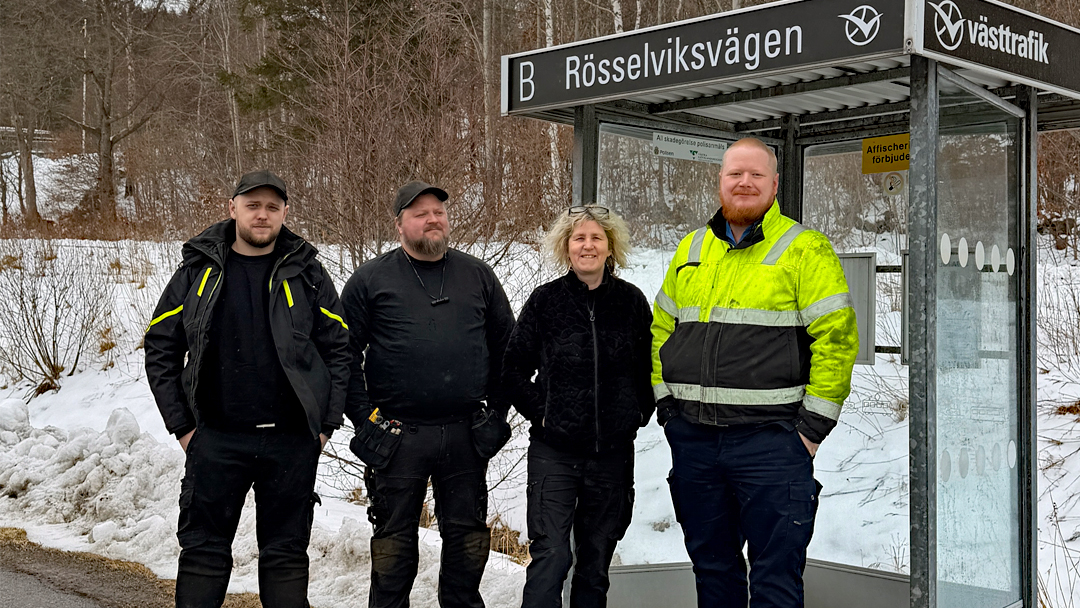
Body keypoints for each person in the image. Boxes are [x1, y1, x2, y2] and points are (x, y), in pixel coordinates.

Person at [650, 137, 859, 608]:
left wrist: (810, 430)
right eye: (735, 174)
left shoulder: (804, 249)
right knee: (713, 572)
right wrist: (667, 408)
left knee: (775, 580)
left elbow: (837, 339)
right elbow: (661, 329)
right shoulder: (692, 247)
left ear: (775, 184)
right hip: (695, 444)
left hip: (772, 444)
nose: (744, 182)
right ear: (720, 180)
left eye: (756, 174)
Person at [143, 170, 351, 608]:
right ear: (232, 208)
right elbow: (161, 346)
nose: (262, 215)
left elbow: (340, 350)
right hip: (217, 438)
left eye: (272, 207)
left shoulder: (307, 272)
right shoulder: (198, 271)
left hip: (291, 441)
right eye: (252, 205)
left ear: (285, 213)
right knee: (203, 555)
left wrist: (324, 426)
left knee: (286, 558)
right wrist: (183, 427)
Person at [341, 180, 516, 608]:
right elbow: (340, 356)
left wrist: (497, 413)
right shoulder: (370, 279)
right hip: (397, 435)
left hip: (465, 432)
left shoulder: (477, 275)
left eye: (439, 212)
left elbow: (508, 350)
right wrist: (364, 419)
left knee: (468, 542)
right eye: (420, 213)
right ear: (399, 225)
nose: (432, 219)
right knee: (393, 547)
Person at [502, 205, 655, 608]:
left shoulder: (631, 302)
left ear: (610, 247)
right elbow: (512, 369)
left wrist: (638, 412)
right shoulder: (545, 301)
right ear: (566, 247)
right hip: (554, 452)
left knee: (594, 564)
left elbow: (649, 368)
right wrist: (544, 413)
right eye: (579, 238)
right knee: (551, 557)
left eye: (596, 238)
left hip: (612, 456)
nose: (588, 245)